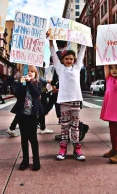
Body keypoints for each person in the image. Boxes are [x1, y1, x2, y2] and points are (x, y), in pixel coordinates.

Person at [48, 32, 86, 161]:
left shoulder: (77, 67)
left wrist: (85, 42)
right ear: (63, 60)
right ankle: (63, 148)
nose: (69, 60)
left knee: (75, 126)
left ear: (74, 60)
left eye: (71, 59)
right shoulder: (60, 69)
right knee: (64, 125)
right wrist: (50, 41)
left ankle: (76, 148)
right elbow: (54, 54)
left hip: (76, 101)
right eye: (66, 59)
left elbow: (81, 55)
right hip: (64, 101)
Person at [10, 65, 43, 171]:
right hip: (22, 114)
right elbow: (18, 95)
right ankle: (25, 160)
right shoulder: (21, 83)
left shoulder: (37, 83)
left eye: (32, 72)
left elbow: (36, 94)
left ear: (36, 74)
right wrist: (24, 83)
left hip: (32, 115)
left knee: (33, 138)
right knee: (24, 138)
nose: (30, 73)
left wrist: (29, 82)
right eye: (28, 71)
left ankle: (36, 160)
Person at [37, 62, 54, 134]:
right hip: (40, 90)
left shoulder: (42, 68)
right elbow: (38, 77)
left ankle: (41, 125)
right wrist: (47, 81)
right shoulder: (36, 66)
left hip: (42, 90)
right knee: (44, 108)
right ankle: (41, 126)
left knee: (43, 108)